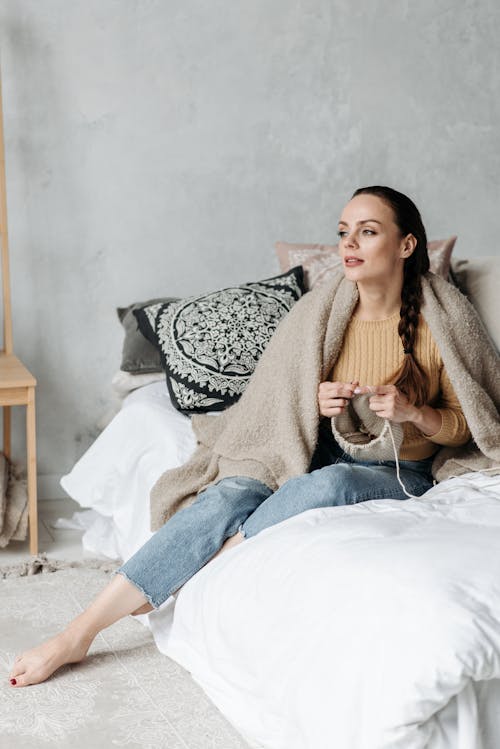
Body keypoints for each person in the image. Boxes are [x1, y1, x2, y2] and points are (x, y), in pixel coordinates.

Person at [8, 185, 486, 688]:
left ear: (406, 245)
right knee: (231, 491)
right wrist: (320, 407)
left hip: (399, 470)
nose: (350, 244)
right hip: (321, 447)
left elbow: (468, 424)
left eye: (367, 232)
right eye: (344, 232)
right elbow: (282, 402)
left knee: (324, 487)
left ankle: (205, 563)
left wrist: (414, 413)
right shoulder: (324, 310)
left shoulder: (445, 318)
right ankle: (78, 633)